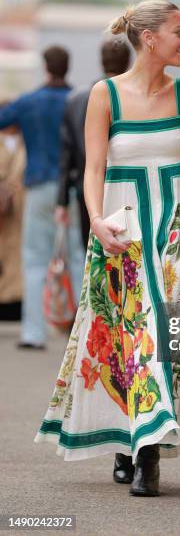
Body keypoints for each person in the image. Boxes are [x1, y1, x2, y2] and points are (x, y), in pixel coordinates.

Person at [35, 0, 180, 497]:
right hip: (121, 229)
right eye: (179, 32)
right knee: (121, 335)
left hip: (173, 230)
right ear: (150, 38)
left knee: (159, 332)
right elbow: (93, 169)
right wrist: (97, 220)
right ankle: (132, 442)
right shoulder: (104, 95)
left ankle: (147, 452)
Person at [0, 46, 72, 349]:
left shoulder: (28, 102)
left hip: (39, 183)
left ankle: (33, 333)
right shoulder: (80, 99)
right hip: (74, 185)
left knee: (34, 259)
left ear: (45, 67)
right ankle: (88, 333)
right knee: (81, 257)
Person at [55, 40, 131, 250]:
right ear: (128, 62)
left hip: (86, 190)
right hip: (126, 187)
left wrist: (62, 201)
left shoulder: (76, 100)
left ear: (101, 61)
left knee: (91, 250)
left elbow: (66, 153)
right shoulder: (134, 97)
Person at [0, 121, 25, 320]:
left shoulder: (22, 142)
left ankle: (14, 302)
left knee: (17, 253)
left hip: (19, 206)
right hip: (6, 204)